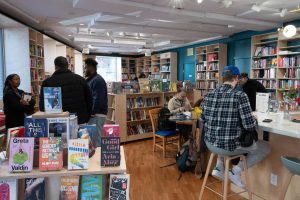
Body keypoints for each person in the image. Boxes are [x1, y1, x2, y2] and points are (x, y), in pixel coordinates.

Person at [201, 65, 270, 188]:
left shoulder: (208, 94)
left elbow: (202, 119)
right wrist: (254, 119)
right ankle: (235, 171)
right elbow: (249, 126)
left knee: (224, 135)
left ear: (223, 77)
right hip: (228, 146)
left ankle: (219, 166)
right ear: (237, 78)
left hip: (210, 143)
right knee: (265, 147)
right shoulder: (240, 96)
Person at [39, 56, 92, 124]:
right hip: (79, 120)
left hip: (57, 122)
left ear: (55, 66)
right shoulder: (81, 80)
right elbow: (89, 100)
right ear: (68, 65)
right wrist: (87, 117)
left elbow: (43, 107)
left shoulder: (48, 82)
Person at [84, 58, 108, 148]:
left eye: (86, 67)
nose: (85, 69)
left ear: (91, 67)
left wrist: (92, 112)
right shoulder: (92, 80)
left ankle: (99, 160)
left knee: (97, 141)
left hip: (97, 115)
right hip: (94, 115)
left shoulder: (98, 80)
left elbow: (98, 99)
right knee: (94, 140)